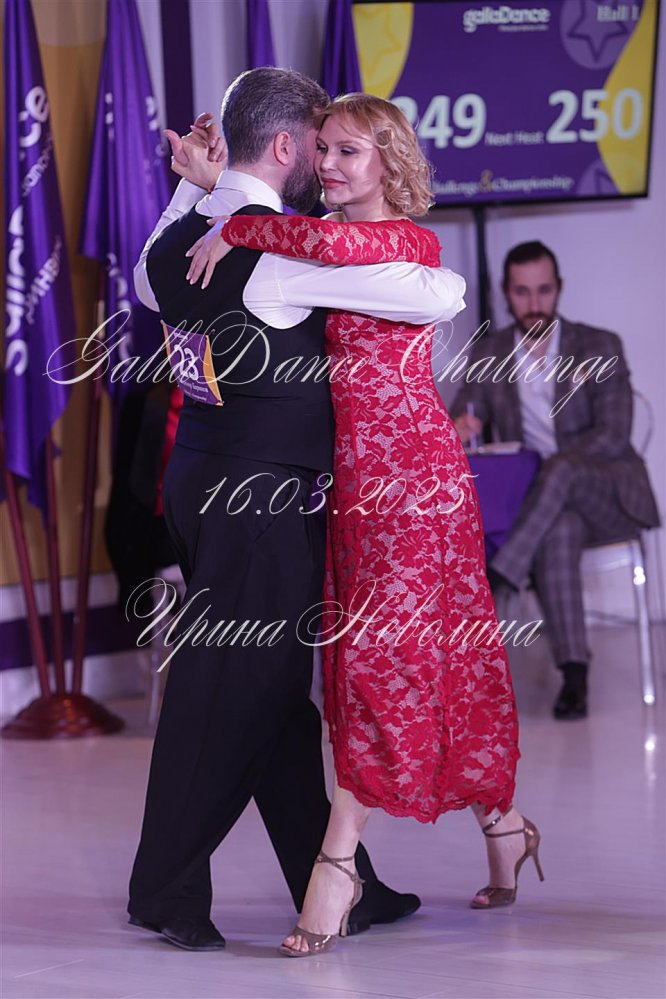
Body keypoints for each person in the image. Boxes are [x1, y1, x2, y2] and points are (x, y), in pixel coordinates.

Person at [188, 93, 541, 958]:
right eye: (324, 151)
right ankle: (505, 823)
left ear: (389, 159)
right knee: (426, 652)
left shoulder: (406, 243)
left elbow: (322, 248)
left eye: (350, 151)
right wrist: (218, 200)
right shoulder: (326, 237)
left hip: (415, 475)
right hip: (358, 481)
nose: (330, 165)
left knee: (387, 654)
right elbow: (309, 246)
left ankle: (337, 862)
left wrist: (234, 221)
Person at [128, 68, 466, 951]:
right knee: (231, 691)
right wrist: (235, 211)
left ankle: (352, 882)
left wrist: (200, 191)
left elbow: (148, 285)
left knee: (279, 702)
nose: (324, 163)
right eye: (317, 145)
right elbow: (436, 292)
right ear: (286, 146)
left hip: (198, 482)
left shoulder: (178, 238)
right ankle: (163, 887)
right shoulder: (284, 257)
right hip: (260, 499)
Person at [449, 241, 660, 720]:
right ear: (506, 293)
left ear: (559, 289)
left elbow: (614, 434)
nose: (534, 304)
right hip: (543, 513)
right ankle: (574, 673)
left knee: (559, 470)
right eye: (522, 292)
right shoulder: (491, 351)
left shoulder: (599, 345)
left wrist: (551, 469)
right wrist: (460, 425)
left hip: (607, 495)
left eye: (543, 291)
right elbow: (459, 417)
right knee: (559, 526)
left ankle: (501, 575)